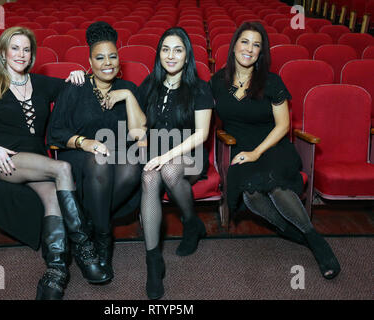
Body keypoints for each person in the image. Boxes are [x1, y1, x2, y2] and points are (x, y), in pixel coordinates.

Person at [0, 26, 110, 300]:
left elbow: (72, 90)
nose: (21, 54)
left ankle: (56, 271)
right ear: (3, 53)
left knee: (53, 195)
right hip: (6, 163)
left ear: (32, 55)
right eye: (14, 48)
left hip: (37, 160)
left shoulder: (41, 83)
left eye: (26, 49)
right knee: (62, 169)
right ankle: (84, 249)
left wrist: (78, 74)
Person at [210, 21, 340, 279]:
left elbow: (283, 125)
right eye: (245, 41)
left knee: (277, 185)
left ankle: (315, 240)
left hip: (273, 146)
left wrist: (258, 152)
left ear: (261, 53)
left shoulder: (271, 81)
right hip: (241, 149)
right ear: (234, 45)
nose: (249, 48)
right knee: (251, 194)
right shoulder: (216, 82)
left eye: (256, 45)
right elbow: (203, 115)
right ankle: (288, 230)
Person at [46, 22, 146, 282]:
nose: (107, 62)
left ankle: (87, 224)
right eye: (100, 57)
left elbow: (139, 134)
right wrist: (85, 142)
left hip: (119, 156)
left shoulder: (129, 89)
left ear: (119, 60)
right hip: (81, 158)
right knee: (99, 161)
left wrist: (128, 96)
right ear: (89, 61)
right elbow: (54, 133)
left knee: (134, 165)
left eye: (112, 56)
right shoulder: (75, 87)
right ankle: (103, 242)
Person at [137, 27, 214, 300]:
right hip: (158, 151)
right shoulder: (150, 84)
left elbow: (202, 134)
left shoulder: (199, 88)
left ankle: (191, 222)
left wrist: (164, 156)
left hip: (190, 154)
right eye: (165, 49)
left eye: (178, 50)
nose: (171, 56)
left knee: (168, 170)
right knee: (149, 178)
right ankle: (153, 260)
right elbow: (134, 120)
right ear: (159, 54)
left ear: (187, 55)